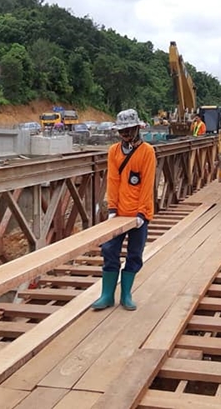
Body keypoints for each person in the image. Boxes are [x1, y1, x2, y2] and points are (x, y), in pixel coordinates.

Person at [92, 109, 157, 312]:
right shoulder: (114, 151)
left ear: (137, 128)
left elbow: (147, 184)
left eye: (128, 130)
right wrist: (112, 207)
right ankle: (107, 295)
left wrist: (142, 212)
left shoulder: (147, 151)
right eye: (122, 131)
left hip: (138, 213)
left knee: (134, 253)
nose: (125, 134)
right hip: (119, 212)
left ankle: (126, 294)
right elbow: (113, 180)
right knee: (109, 249)